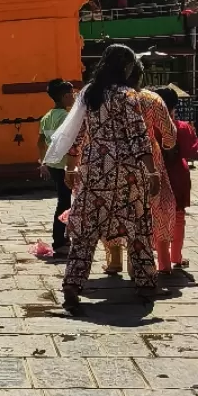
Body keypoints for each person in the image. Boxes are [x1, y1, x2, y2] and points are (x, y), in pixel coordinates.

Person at [62, 43, 162, 310]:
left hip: (94, 168)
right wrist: (152, 171)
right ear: (125, 67)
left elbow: (78, 135)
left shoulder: (90, 95)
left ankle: (72, 283)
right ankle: (145, 283)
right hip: (127, 171)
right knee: (138, 227)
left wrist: (71, 167)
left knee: (85, 230)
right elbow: (138, 137)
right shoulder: (127, 96)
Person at [101, 63, 177, 279]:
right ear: (140, 77)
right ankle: (139, 263)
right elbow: (170, 136)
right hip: (148, 161)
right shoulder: (152, 99)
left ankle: (114, 260)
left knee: (114, 209)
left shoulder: (105, 99)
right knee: (152, 209)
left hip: (112, 162)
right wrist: (166, 146)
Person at [158, 85, 196, 272]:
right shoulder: (183, 127)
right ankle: (176, 258)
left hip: (156, 176)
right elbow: (192, 152)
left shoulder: (149, 128)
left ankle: (163, 263)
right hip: (179, 176)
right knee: (178, 217)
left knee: (158, 217)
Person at [38, 78, 76, 254]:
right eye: (71, 94)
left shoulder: (46, 117)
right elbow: (70, 143)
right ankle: (59, 240)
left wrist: (42, 161)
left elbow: (40, 142)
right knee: (64, 202)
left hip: (52, 164)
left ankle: (64, 237)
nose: (74, 96)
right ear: (64, 96)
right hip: (64, 165)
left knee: (65, 200)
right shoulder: (67, 118)